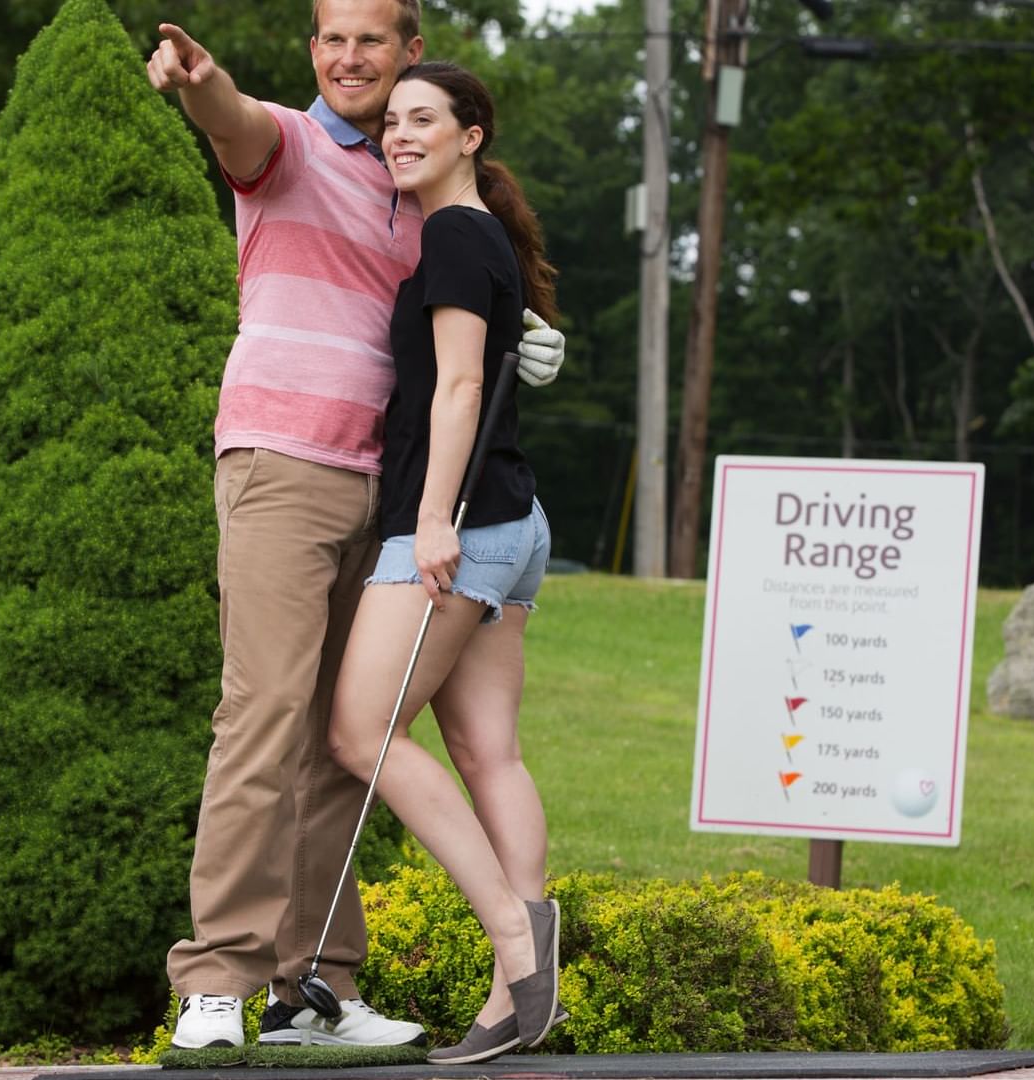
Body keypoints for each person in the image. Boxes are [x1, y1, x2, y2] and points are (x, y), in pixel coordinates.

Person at [143, 0, 566, 1052]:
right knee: (265, 716)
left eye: (370, 40)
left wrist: (526, 337)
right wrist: (200, 83)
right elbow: (231, 118)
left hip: (391, 488)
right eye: (331, 39)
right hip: (285, 464)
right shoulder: (288, 144)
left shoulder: (421, 186)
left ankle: (312, 989)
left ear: (409, 52)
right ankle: (218, 981)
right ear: (313, 51)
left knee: (348, 744)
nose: (348, 57)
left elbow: (454, 339)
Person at [325, 61, 562, 1067]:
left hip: (462, 527)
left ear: (472, 135)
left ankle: (515, 940)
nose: (399, 134)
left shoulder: (458, 235)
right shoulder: (475, 234)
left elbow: (459, 388)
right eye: (390, 121)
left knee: (361, 732)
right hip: (513, 521)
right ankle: (525, 992)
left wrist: (429, 520)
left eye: (423, 118)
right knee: (487, 753)